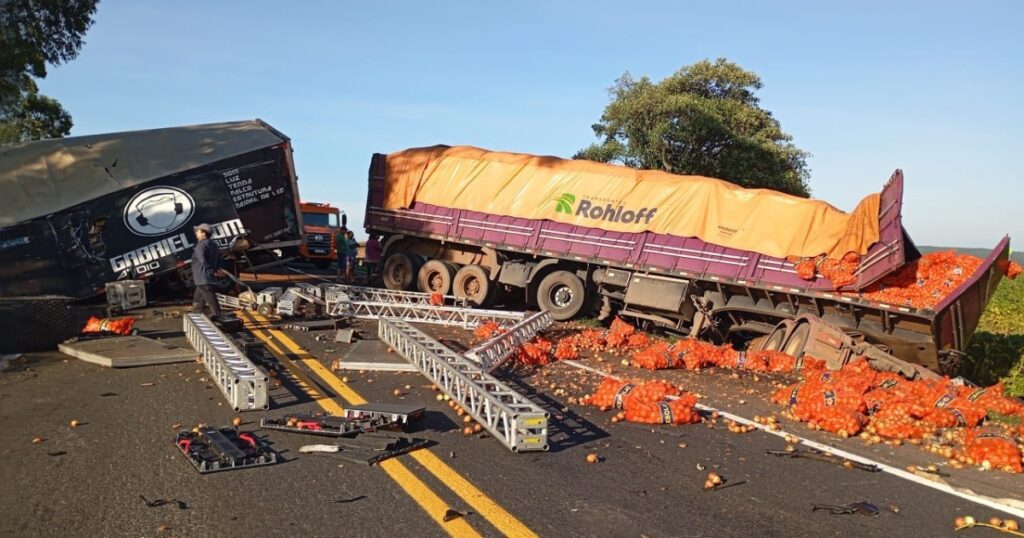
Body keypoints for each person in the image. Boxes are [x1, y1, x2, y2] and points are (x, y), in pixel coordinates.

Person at [190, 223, 222, 316]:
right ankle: (196, 314)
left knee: (211, 299)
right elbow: (218, 258)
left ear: (203, 233)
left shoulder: (201, 245)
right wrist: (216, 269)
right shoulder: (214, 244)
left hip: (203, 277)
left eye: (198, 231)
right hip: (205, 278)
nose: (196, 233)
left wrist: (210, 269)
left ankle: (218, 317)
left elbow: (202, 260)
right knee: (198, 298)